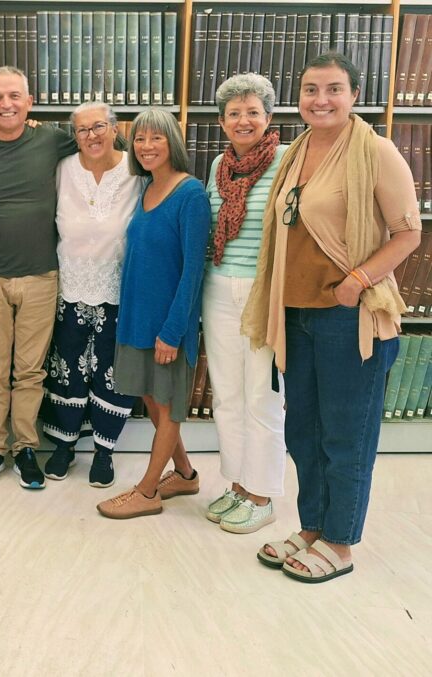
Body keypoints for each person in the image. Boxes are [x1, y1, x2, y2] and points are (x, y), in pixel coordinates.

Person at [244, 53, 421, 583]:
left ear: (354, 95)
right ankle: (314, 527)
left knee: (346, 437)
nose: (321, 99)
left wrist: (357, 282)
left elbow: (408, 232)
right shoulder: (297, 150)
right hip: (296, 316)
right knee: (303, 432)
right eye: (310, 89)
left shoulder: (377, 151)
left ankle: (340, 544)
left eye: (334, 89)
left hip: (351, 320)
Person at [0, 66, 77, 490]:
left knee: (30, 371)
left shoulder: (51, 139)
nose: (6, 104)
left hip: (42, 275)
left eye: (15, 96)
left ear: (30, 102)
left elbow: (108, 140)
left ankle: (25, 447)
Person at [97, 108, 211, 519]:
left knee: (168, 404)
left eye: (156, 138)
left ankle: (147, 492)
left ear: (172, 143)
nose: (146, 146)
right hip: (136, 318)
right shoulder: (145, 187)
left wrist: (174, 330)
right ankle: (184, 473)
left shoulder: (191, 194)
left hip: (167, 323)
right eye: (140, 138)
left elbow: (193, 270)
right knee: (152, 400)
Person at [41, 101, 144, 487]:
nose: (91, 136)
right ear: (74, 136)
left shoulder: (137, 169)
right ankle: (65, 445)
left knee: (111, 374)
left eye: (99, 126)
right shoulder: (63, 170)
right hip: (69, 288)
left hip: (118, 291)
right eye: (82, 130)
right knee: (66, 370)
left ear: (114, 128)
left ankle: (105, 451)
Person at [202, 74, 288, 534]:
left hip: (262, 292)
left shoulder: (287, 162)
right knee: (228, 394)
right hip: (217, 287)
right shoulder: (218, 166)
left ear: (269, 117)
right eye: (234, 113)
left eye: (253, 111)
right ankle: (237, 484)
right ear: (221, 122)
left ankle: (263, 495)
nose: (243, 120)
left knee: (262, 396)